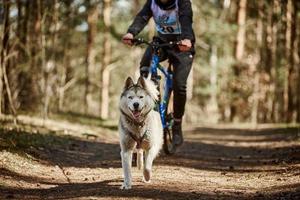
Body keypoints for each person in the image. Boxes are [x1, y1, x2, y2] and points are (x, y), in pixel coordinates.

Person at [122, 0, 195, 148]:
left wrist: (187, 38)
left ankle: (177, 124)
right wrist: (131, 32)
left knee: (179, 85)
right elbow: (142, 17)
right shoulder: (152, 3)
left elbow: (186, 18)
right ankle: (148, 107)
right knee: (144, 70)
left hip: (182, 46)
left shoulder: (182, 2)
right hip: (161, 43)